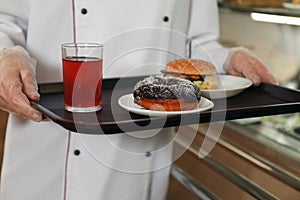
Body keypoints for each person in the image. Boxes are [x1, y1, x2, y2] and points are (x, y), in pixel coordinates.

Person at [0, 0, 277, 200]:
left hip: (140, 156)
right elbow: (5, 20)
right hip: (49, 147)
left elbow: (195, 44)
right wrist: (5, 55)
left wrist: (229, 59)